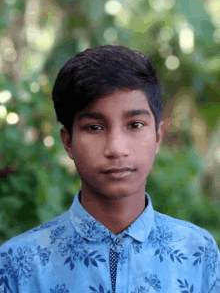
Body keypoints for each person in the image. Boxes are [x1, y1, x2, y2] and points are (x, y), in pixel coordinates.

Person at [0, 45, 219, 293]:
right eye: (94, 127)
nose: (116, 148)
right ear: (68, 142)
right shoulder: (17, 265)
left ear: (158, 137)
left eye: (135, 124)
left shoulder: (197, 253)